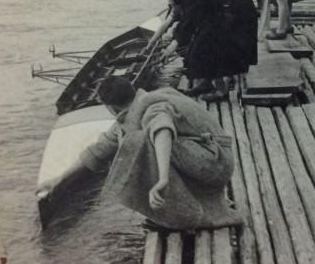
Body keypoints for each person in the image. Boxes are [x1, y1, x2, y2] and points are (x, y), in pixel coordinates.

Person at [70, 76, 243, 230]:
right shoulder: (140, 104)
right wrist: (62, 179)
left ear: (110, 108)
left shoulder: (152, 107)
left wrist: (163, 179)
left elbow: (162, 129)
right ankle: (200, 201)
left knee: (139, 141)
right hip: (213, 158)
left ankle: (182, 215)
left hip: (216, 165)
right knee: (137, 140)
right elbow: (101, 148)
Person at [153, 0, 258, 101]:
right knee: (199, 45)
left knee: (215, 48)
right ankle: (206, 83)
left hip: (238, 11)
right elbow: (192, 17)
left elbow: (189, 21)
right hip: (221, 11)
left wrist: (173, 45)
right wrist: (176, 39)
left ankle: (221, 91)